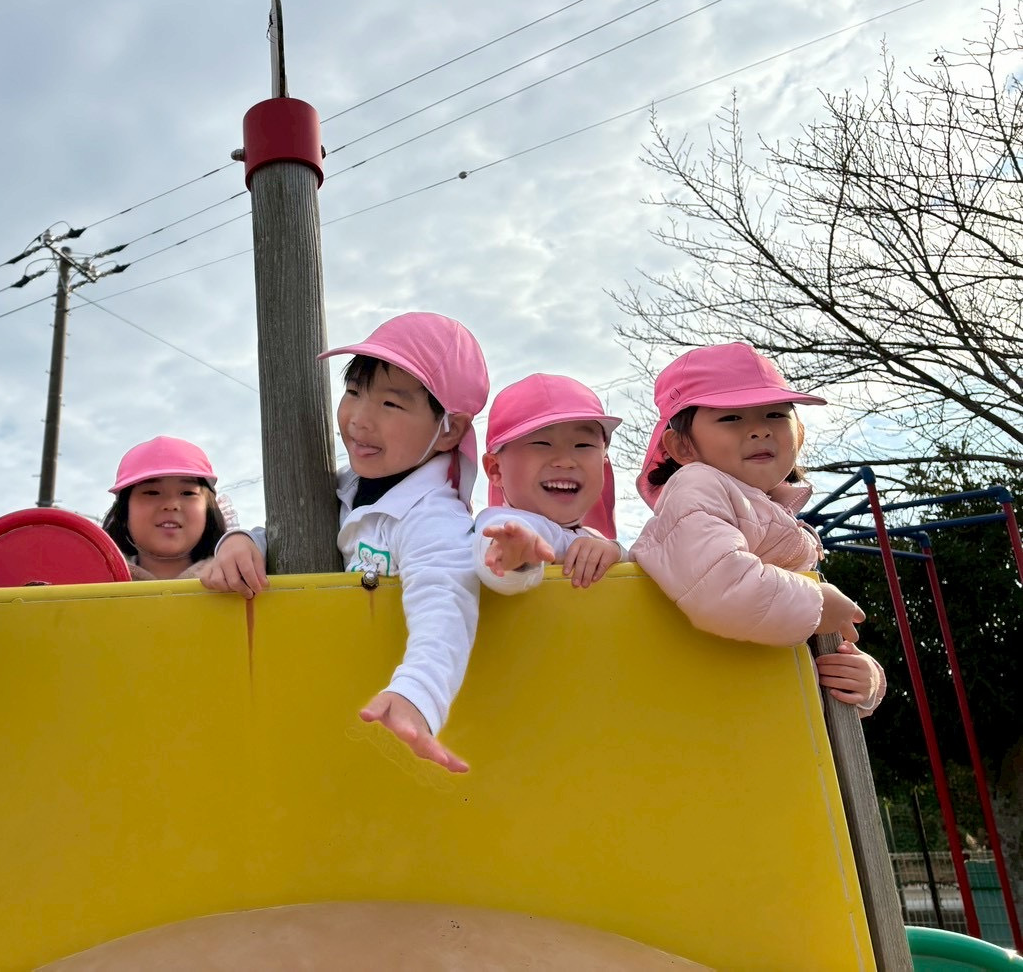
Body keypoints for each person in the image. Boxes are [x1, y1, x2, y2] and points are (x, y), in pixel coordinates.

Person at [630, 343, 885, 715]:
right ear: (682, 446)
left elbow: (800, 639)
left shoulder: (775, 514)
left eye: (775, 414)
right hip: (722, 710)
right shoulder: (697, 487)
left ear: (799, 434)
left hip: (770, 715)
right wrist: (817, 604)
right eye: (731, 417)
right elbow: (720, 588)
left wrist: (864, 682)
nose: (760, 430)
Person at [318, 312, 489, 774]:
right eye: (354, 391)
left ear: (450, 429)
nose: (359, 419)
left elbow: (444, 597)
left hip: (381, 743)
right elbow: (286, 530)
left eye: (391, 404)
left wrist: (418, 692)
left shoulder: (433, 516)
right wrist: (244, 544)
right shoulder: (341, 487)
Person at [475, 374, 625, 593]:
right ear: (495, 469)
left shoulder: (594, 537)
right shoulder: (505, 523)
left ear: (604, 462)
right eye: (542, 443)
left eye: (583, 445)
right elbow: (493, 555)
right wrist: (516, 556)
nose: (565, 461)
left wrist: (615, 552)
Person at [102, 436, 268, 588]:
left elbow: (277, 542)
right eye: (152, 492)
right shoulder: (99, 574)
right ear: (124, 511)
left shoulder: (236, 572)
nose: (171, 505)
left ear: (209, 509)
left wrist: (244, 541)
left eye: (188, 493)